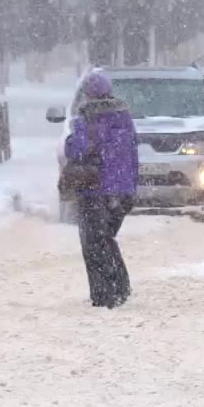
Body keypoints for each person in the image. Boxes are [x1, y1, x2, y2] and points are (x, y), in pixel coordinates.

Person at [64, 72, 139, 308]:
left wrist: (72, 140)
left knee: (93, 243)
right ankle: (120, 286)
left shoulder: (87, 119)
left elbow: (76, 150)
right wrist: (130, 186)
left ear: (88, 93)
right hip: (123, 191)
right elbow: (133, 155)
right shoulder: (124, 118)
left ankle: (104, 293)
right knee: (106, 238)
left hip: (94, 189)